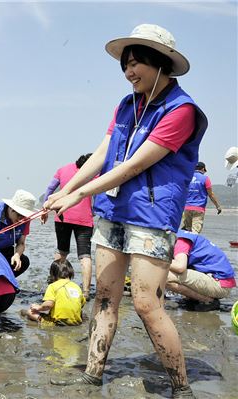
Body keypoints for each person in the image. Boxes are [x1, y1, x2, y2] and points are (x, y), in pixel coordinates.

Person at [44, 24, 207, 398]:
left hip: (151, 218)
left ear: (161, 64)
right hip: (112, 211)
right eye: (126, 65)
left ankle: (181, 388)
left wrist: (78, 193)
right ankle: (92, 374)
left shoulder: (181, 110)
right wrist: (65, 191)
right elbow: (103, 153)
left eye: (137, 64)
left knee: (148, 303)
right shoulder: (125, 105)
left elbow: (135, 165)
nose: (130, 72)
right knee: (104, 297)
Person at [42, 154, 94, 299]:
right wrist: (94, 211)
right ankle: (86, 292)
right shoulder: (93, 173)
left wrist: (45, 207)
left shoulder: (62, 170)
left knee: (62, 250)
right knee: (85, 256)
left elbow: (50, 188)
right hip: (84, 219)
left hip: (62, 215)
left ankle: (53, 282)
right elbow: (101, 194)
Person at [166, 230, 236, 310]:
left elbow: (180, 267)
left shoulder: (181, 240)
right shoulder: (180, 235)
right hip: (217, 280)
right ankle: (193, 298)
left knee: (165, 275)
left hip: (220, 284)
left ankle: (207, 300)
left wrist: (157, 260)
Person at [21, 259, 85, 326]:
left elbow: (49, 304)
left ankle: (41, 321)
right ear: (71, 272)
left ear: (53, 274)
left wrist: (39, 307)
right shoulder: (77, 287)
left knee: (30, 312)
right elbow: (81, 304)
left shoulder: (52, 286)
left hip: (58, 323)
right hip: (76, 322)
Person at [181, 162, 222, 233]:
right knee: (195, 232)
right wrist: (218, 206)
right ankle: (193, 243)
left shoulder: (187, 177)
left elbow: (181, 192)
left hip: (186, 208)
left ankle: (182, 243)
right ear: (203, 169)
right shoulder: (205, 179)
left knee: (186, 231)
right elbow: (211, 194)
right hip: (198, 209)